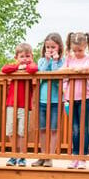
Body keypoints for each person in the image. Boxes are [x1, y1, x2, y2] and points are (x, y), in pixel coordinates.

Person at [1, 43, 39, 167]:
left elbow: (33, 69)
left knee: (22, 132)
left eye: (28, 56)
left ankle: (22, 156)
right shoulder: (14, 66)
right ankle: (13, 155)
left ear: (32, 56)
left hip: (25, 105)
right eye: (22, 56)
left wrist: (25, 66)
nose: (25, 58)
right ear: (16, 57)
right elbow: (4, 69)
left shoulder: (31, 65)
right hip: (11, 104)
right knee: (11, 131)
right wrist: (18, 66)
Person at [63, 32, 89, 170]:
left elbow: (85, 68)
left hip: (84, 98)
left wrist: (75, 70)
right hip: (70, 97)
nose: (77, 53)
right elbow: (62, 71)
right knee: (75, 128)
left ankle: (83, 158)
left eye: (80, 50)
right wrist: (72, 70)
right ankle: (75, 156)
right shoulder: (69, 58)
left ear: (86, 46)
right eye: (74, 50)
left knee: (84, 127)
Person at [34, 33, 66, 167]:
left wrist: (54, 62)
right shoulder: (41, 61)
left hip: (56, 101)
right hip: (42, 100)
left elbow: (57, 78)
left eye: (53, 47)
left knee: (53, 129)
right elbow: (40, 74)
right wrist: (47, 61)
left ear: (59, 47)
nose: (50, 49)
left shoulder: (63, 62)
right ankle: (43, 155)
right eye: (48, 47)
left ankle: (50, 157)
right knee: (42, 129)